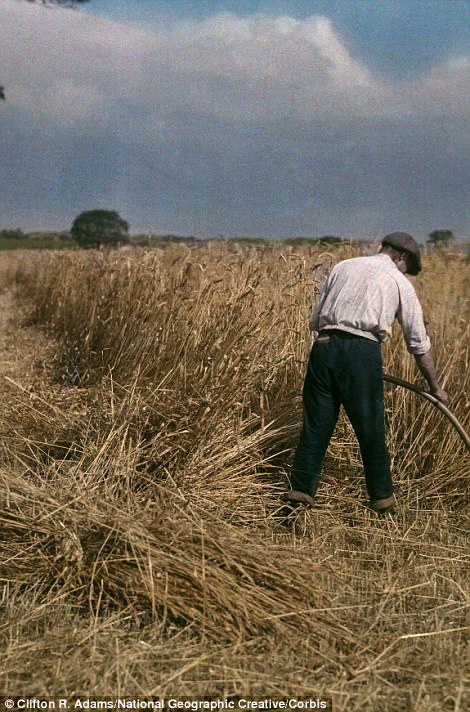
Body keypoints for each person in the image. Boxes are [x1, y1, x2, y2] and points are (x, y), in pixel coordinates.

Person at [282, 232, 448, 516]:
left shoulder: (343, 267)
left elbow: (315, 318)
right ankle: (383, 506)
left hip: (323, 348)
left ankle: (297, 501)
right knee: (371, 430)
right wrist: (435, 387)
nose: (406, 271)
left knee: (315, 428)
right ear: (402, 257)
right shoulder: (398, 282)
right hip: (361, 352)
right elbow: (418, 343)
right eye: (407, 266)